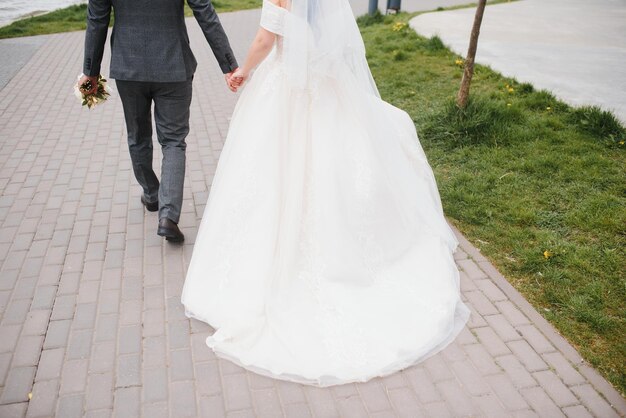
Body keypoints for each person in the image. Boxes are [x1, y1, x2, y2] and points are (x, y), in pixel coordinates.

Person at [182, 0, 470, 387]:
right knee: (329, 169)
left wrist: (243, 72)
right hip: (324, 85)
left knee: (272, 173)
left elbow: (266, 39)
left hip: (284, 89)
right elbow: (335, 41)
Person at [80, 0, 242, 243]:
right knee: (174, 141)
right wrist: (229, 65)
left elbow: (97, 20)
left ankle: (152, 194)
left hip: (128, 66)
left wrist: (90, 72)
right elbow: (204, 12)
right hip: (173, 65)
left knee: (138, 135)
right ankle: (168, 216)